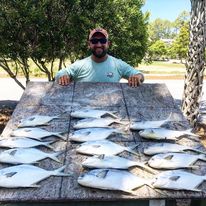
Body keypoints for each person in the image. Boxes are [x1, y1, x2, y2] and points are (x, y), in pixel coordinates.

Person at [55, 28, 144, 87]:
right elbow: (59, 74)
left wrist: (137, 77)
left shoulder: (117, 64)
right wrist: (63, 76)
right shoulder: (80, 65)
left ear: (108, 44)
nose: (98, 44)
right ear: (89, 44)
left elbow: (140, 75)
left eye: (102, 41)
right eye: (94, 41)